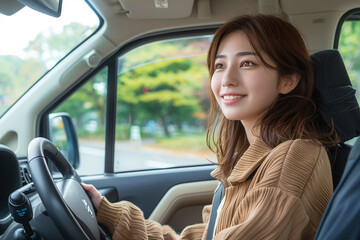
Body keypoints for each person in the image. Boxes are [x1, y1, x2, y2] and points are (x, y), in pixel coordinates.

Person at [82, 14, 338, 240]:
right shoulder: (247, 159)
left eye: (247, 63)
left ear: (288, 80)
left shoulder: (294, 157)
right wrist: (109, 214)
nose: (227, 79)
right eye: (220, 66)